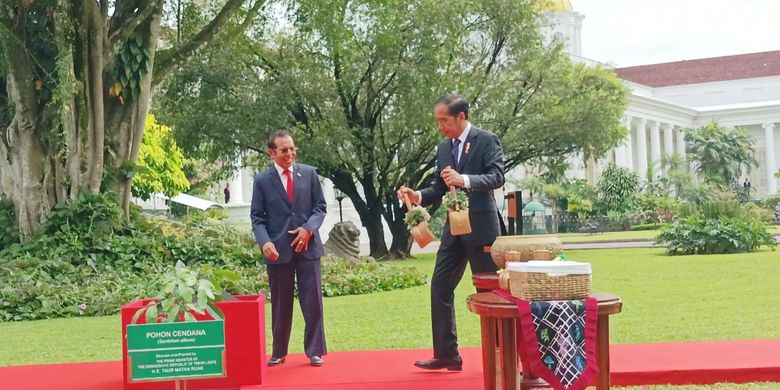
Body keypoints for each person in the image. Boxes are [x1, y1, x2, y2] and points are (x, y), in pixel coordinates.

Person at [397, 94, 505, 371]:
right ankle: (447, 354)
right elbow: (439, 187)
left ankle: (502, 354)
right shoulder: (444, 147)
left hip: (482, 229)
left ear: (461, 116)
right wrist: (417, 195)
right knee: (440, 286)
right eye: (438, 121)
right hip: (453, 230)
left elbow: (497, 176)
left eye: (444, 120)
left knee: (489, 293)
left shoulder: (486, 140)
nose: (440, 126)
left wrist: (464, 179)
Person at [251, 130, 327, 367]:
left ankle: (315, 351)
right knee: (281, 304)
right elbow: (257, 218)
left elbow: (320, 207)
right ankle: (279, 352)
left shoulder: (310, 174)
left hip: (308, 248)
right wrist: (265, 243)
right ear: (271, 152)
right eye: (284, 150)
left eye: (292, 149)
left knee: (312, 301)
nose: (290, 154)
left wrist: (309, 229)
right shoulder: (262, 181)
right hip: (278, 250)